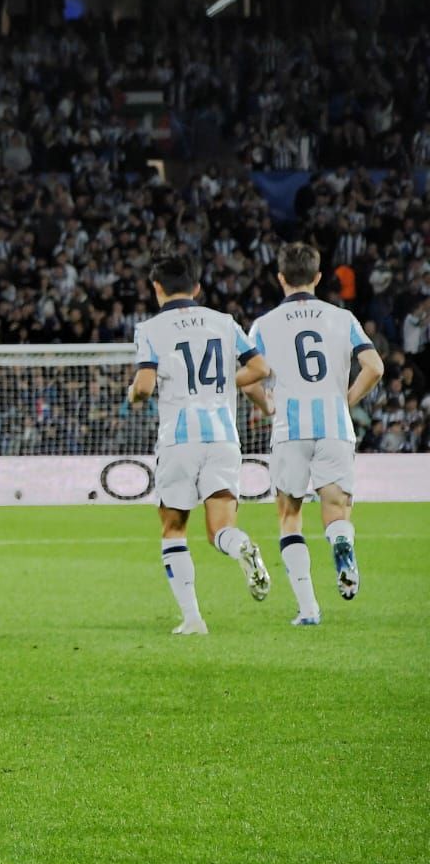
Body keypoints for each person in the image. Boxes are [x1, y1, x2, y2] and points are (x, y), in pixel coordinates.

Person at [127, 253, 273, 635]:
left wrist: (133, 395)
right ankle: (239, 543)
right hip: (224, 435)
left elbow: (143, 387)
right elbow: (260, 368)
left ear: (156, 287)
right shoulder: (224, 322)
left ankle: (193, 619)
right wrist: (224, 382)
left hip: (180, 438)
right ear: (197, 287)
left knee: (174, 527)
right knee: (219, 529)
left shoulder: (150, 329)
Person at [247, 242, 382, 623]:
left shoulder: (265, 324)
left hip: (290, 428)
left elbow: (247, 379)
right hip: (334, 424)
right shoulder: (342, 317)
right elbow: (374, 366)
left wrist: (266, 405)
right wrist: (347, 400)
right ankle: (342, 545)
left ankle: (308, 609)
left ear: (280, 278)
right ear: (319, 277)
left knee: (289, 516)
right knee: (337, 509)